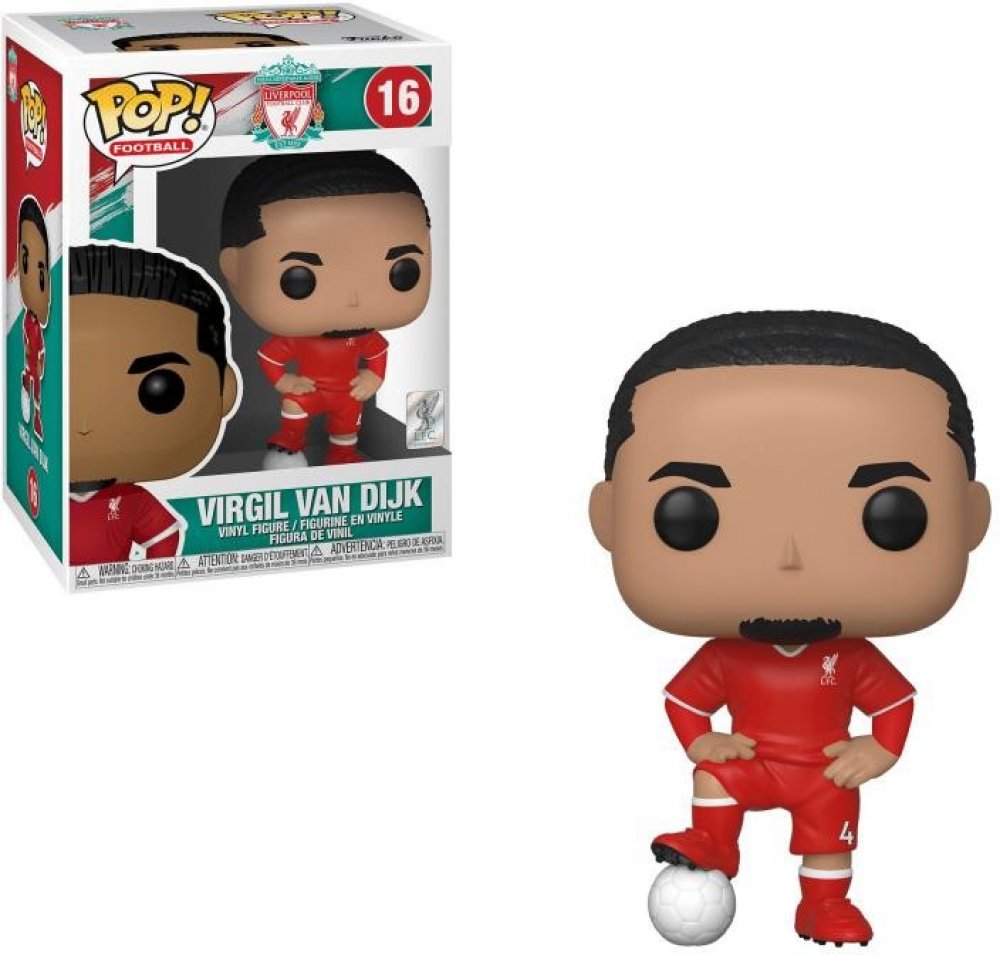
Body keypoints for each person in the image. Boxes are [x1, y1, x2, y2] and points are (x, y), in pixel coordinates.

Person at [589, 311, 990, 945]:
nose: (789, 558)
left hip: (825, 771)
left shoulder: (851, 658)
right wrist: (702, 742)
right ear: (608, 518)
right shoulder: (727, 656)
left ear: (971, 519)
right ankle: (715, 841)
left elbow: (894, 701)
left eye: (892, 516)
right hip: (751, 761)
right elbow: (684, 700)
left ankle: (823, 905)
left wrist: (880, 749)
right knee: (712, 778)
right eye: (690, 516)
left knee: (831, 841)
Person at [219, 150, 431, 467]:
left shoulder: (362, 337)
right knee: (293, 406)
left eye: (402, 272)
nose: (353, 299)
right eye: (299, 280)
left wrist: (374, 378)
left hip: (348, 393)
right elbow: (270, 357)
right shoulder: (297, 338)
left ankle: (343, 453)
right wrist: (284, 382)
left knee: (347, 427)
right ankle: (291, 439)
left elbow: (377, 353)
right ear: (235, 268)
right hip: (309, 390)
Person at [69, 243, 239, 565]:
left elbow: (164, 535)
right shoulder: (41, 487)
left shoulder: (130, 498)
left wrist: (146, 578)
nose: (84, 425)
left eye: (159, 390)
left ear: (224, 391)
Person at [18, 196, 50, 441]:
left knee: (37, 386)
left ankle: (37, 418)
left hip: (35, 362)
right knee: (30, 378)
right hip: (30, 363)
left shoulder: (37, 325)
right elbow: (27, 340)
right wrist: (30, 351)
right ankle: (25, 389)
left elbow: (40, 350)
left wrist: (40, 360)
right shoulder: (28, 322)